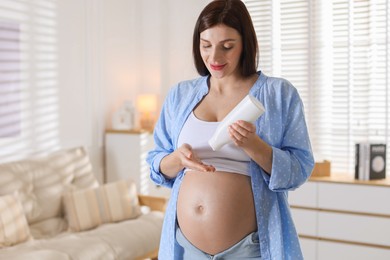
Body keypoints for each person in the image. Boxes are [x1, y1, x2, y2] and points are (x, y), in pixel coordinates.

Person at [146, 0, 314, 259]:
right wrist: (177, 159)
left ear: (245, 43)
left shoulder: (278, 94)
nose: (215, 57)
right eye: (206, 46)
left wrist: (256, 147)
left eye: (227, 47)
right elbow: (157, 165)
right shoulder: (180, 95)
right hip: (187, 248)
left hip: (250, 249)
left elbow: (300, 169)